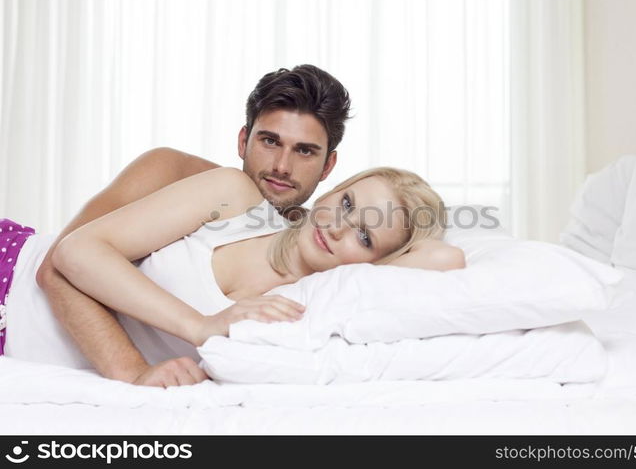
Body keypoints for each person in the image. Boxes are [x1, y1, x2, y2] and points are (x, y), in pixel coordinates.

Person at [29, 64, 351, 387]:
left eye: (305, 151)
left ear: (328, 166)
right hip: (10, 272)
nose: (282, 166)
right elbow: (53, 270)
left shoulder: (317, 243)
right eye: (269, 141)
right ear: (243, 141)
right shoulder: (174, 171)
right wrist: (133, 371)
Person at [2, 166, 464, 387]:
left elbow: (446, 259)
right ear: (333, 190)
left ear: (377, 265)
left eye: (363, 236)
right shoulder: (236, 200)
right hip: (13, 269)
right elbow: (77, 251)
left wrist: (391, 251)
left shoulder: (312, 302)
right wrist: (197, 326)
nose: (337, 227)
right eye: (346, 204)